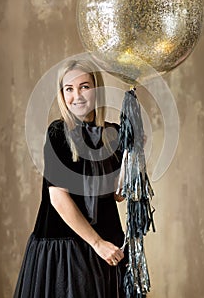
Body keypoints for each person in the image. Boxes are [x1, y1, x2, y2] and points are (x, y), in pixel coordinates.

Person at [14, 58, 127, 298]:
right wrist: (97, 243)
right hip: (67, 248)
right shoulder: (58, 133)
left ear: (97, 90)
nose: (77, 95)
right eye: (69, 89)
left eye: (84, 86)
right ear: (62, 94)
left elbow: (118, 194)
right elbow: (58, 198)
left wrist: (131, 154)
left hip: (107, 244)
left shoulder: (113, 133)